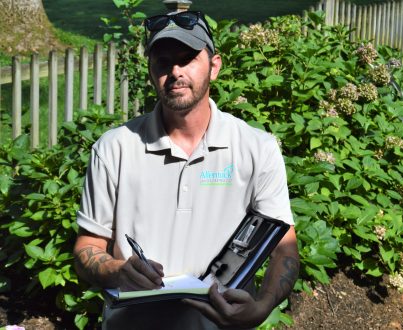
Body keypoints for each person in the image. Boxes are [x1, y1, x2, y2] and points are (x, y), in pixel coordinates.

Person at [73, 10, 299, 330]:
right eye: (163, 61)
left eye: (188, 58)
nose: (176, 71)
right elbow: (88, 247)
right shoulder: (113, 149)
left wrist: (262, 307)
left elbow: (284, 247)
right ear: (151, 71)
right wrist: (118, 270)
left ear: (215, 66)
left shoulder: (256, 148)